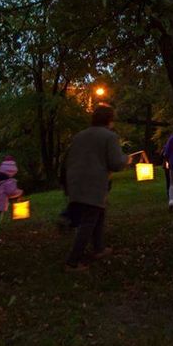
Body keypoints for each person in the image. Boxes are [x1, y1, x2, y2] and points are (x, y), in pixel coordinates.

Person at [63, 103, 130, 271]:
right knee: (89, 220)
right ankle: (72, 261)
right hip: (94, 183)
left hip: (75, 182)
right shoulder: (109, 136)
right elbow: (115, 163)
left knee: (98, 212)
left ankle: (99, 248)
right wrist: (126, 159)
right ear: (110, 119)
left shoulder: (79, 136)